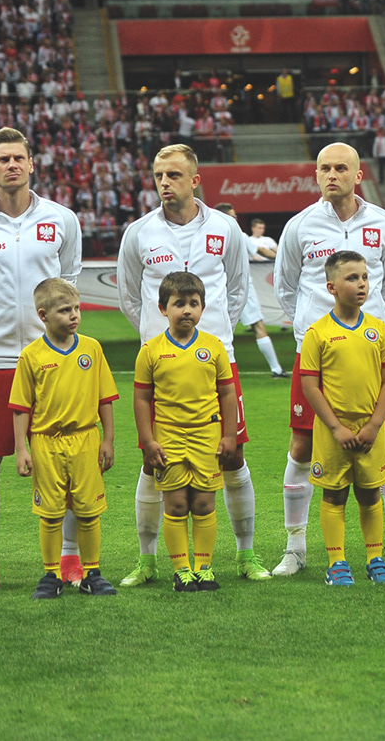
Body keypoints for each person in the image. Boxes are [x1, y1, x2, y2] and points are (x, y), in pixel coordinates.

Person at [275, 142, 385, 574]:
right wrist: (312, 328)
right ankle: (295, 547)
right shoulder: (300, 225)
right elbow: (287, 287)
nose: (331, 175)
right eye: (324, 168)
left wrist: (366, 330)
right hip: (317, 353)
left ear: (358, 175)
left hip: (371, 352)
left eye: (340, 168)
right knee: (302, 444)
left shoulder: (384, 223)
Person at [116, 145, 263, 585]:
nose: (164, 182)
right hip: (160, 366)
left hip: (216, 363)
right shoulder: (138, 232)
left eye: (174, 175)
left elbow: (237, 290)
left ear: (195, 180)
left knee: (232, 456)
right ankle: (147, 561)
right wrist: (157, 339)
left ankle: (245, 555)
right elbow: (129, 296)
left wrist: (212, 339)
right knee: (152, 460)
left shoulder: (226, 228)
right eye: (159, 175)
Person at [0, 127, 84, 596]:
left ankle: (70, 560)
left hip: (50, 359)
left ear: (32, 165)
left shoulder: (63, 219)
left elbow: (67, 285)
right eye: (2, 159)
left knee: (64, 460)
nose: (11, 165)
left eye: (18, 158)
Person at [9, 278, 120, 598]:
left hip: (86, 440)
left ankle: (92, 573)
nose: (74, 316)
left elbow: (105, 399)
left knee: (88, 510)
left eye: (77, 309)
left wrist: (108, 440)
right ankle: (50, 575)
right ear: (43, 315)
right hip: (46, 443)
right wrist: (21, 450)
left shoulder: (91, 349)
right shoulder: (31, 356)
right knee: (51, 512)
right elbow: (20, 407)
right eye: (64, 311)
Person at [299, 251, 385, 586]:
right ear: (331, 286)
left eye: (364, 277)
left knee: (371, 493)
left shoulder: (378, 330)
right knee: (334, 495)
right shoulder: (318, 333)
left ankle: (375, 559)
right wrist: (336, 427)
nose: (361, 284)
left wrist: (374, 426)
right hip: (333, 432)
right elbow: (309, 385)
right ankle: (337, 563)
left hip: (372, 429)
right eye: (352, 278)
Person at [134, 271, 240, 592]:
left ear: (203, 308)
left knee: (205, 504)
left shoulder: (214, 347)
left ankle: (204, 568)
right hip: (168, 438)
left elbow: (226, 394)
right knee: (177, 504)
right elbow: (141, 398)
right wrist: (149, 441)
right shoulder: (151, 350)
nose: (187, 310)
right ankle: (182, 570)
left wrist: (230, 435)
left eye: (194, 303)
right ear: (163, 309)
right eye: (179, 304)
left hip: (206, 437)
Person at [215, 203, 286, 378]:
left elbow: (261, 250)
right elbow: (261, 251)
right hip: (231, 288)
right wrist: (282, 259)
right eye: (232, 217)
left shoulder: (224, 235)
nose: (235, 220)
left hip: (229, 287)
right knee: (253, 326)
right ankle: (275, 369)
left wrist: (280, 258)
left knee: (225, 328)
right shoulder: (237, 234)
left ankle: (275, 369)